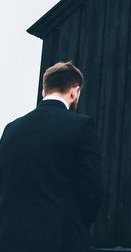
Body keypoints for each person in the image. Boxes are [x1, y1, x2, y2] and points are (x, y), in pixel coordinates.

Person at [0, 61, 104, 252]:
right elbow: (92, 190)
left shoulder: (11, 129)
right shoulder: (81, 126)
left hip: (10, 239)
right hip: (60, 239)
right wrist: (75, 226)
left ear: (44, 91)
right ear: (75, 91)